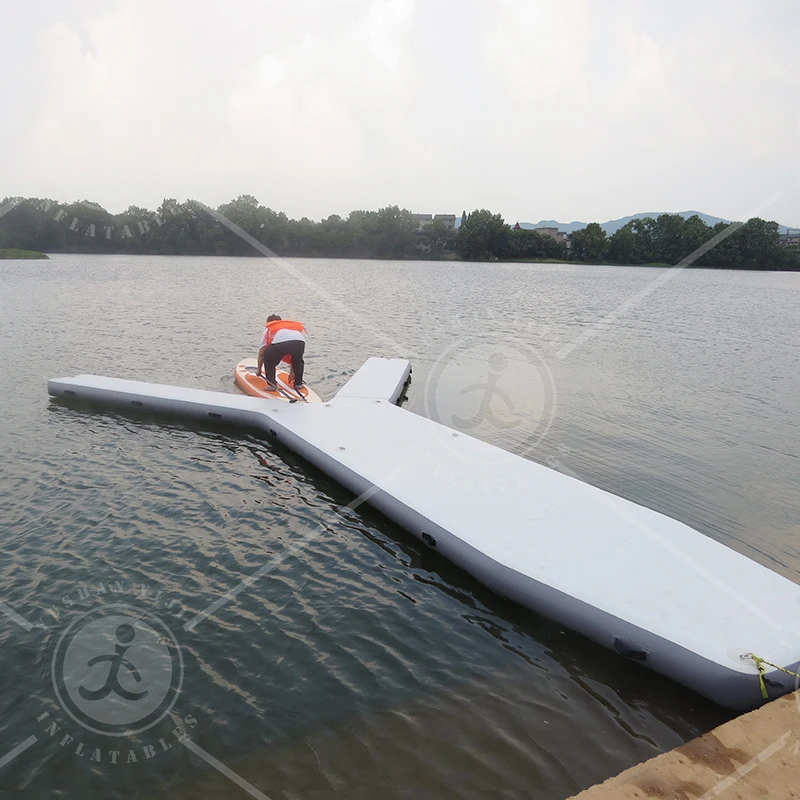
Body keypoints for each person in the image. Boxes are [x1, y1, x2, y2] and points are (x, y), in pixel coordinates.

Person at [257, 314, 307, 389]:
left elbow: (261, 353)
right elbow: (292, 358)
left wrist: (259, 370)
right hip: (300, 341)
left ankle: (272, 385)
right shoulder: (289, 327)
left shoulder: (269, 328)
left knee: (268, 358)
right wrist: (292, 373)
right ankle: (298, 384)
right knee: (298, 360)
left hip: (282, 343)